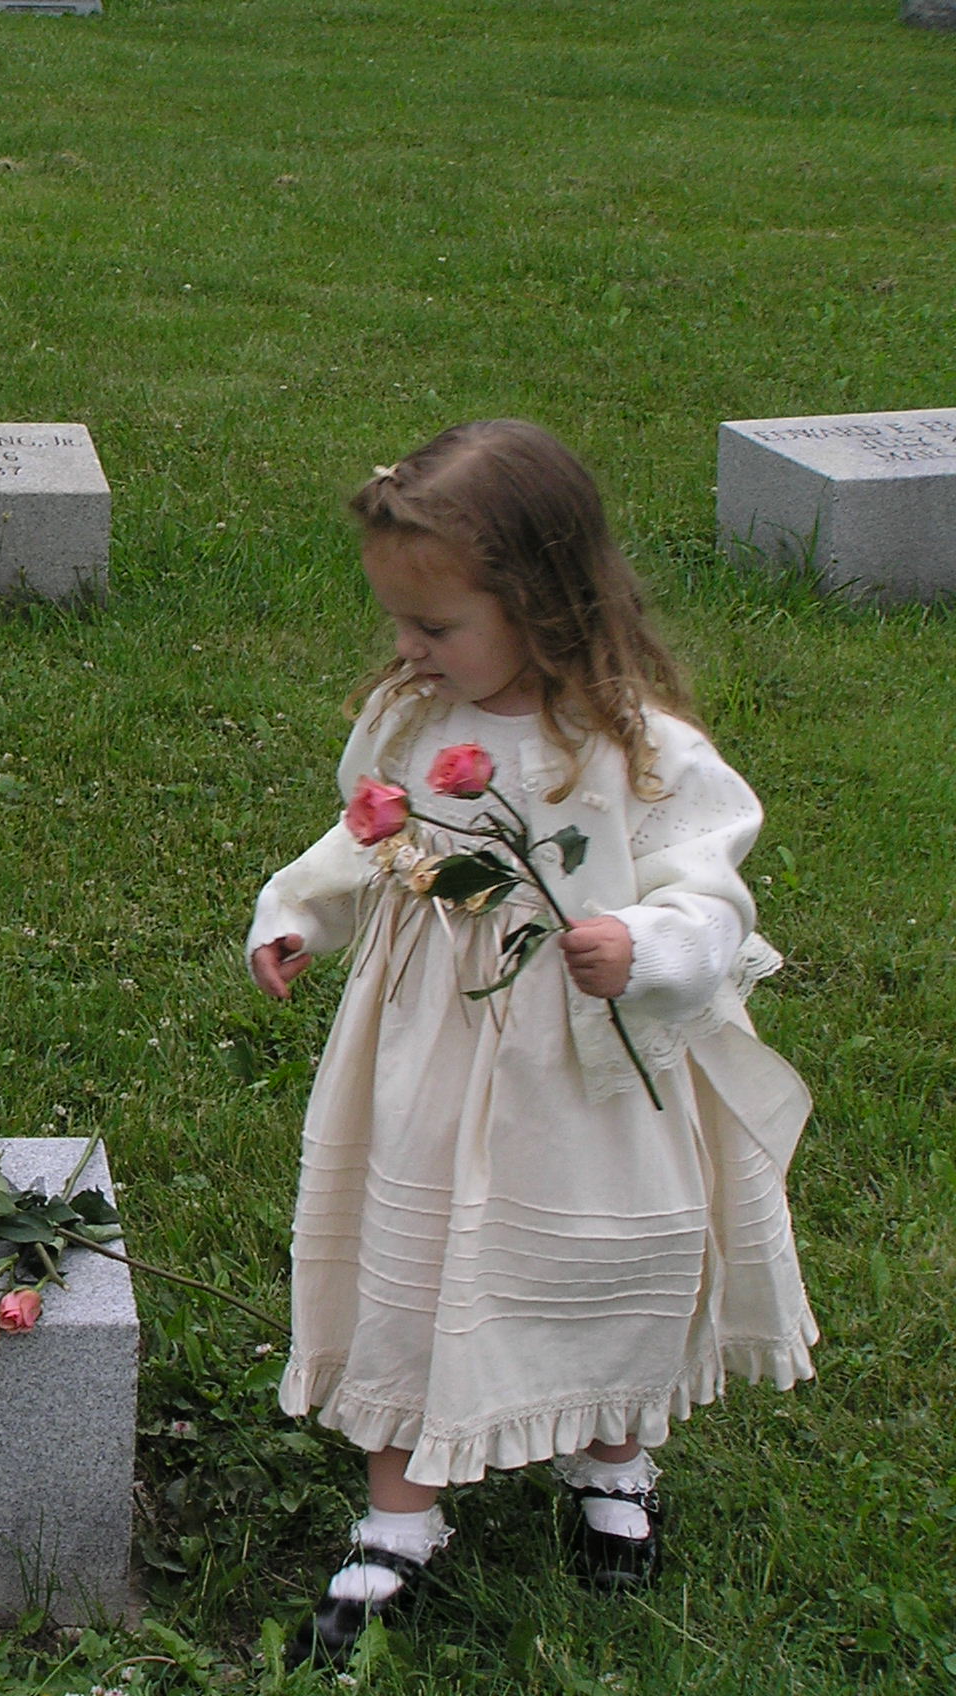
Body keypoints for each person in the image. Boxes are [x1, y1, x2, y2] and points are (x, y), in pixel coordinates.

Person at [246, 421, 815, 1659]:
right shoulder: (406, 720)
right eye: (398, 622)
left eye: (435, 625)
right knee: (409, 1257)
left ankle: (610, 1455)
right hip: (429, 1048)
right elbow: (371, 835)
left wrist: (643, 942)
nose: (406, 648)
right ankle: (398, 1514)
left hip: (582, 1066)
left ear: (541, 602)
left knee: (590, 1254)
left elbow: (708, 892)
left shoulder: (634, 748)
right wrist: (298, 910)